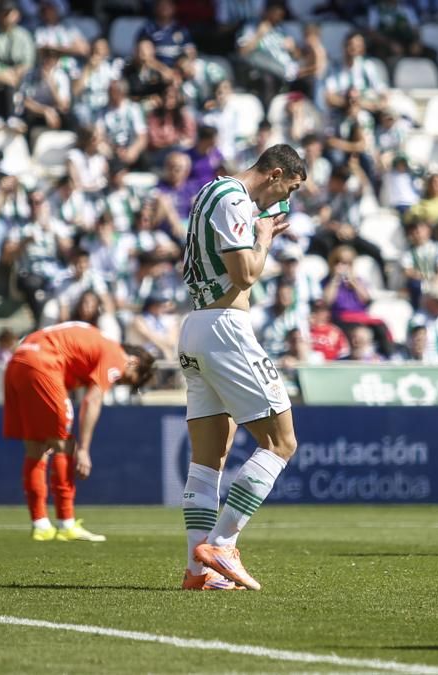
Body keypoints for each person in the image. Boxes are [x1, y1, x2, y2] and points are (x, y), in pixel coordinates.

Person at [177, 144, 305, 591]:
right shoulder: (234, 198)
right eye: (289, 188)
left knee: (208, 458)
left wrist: (259, 223)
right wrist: (264, 236)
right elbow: (245, 274)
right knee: (282, 442)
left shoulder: (211, 192)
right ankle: (223, 543)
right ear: (274, 174)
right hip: (225, 327)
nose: (284, 199)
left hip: (196, 326)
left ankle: (199, 572)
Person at [3, 322, 154, 543]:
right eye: (128, 378)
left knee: (36, 448)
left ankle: (41, 525)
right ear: (134, 361)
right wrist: (83, 449)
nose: (120, 382)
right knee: (64, 444)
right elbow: (92, 400)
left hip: (17, 362)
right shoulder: (117, 355)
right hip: (43, 362)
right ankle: (66, 523)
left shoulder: (96, 344)